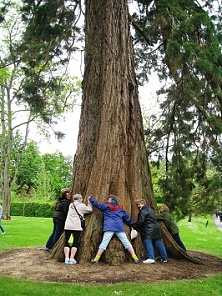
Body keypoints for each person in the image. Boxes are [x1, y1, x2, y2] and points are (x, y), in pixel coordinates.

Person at [89, 194, 139, 264]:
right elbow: (127, 219)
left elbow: (97, 204)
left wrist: (91, 198)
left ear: (111, 200)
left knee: (104, 243)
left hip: (109, 227)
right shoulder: (120, 210)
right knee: (127, 243)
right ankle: (135, 257)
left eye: (108, 199)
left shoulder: (106, 207)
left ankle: (96, 259)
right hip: (119, 228)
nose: (107, 201)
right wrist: (133, 224)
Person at [132, 199, 168, 264]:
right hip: (156, 228)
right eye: (137, 205)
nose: (138, 206)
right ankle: (164, 258)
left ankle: (151, 257)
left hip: (148, 229)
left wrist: (134, 225)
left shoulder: (143, 211)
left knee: (148, 242)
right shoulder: (151, 209)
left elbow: (141, 221)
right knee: (159, 243)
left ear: (143, 204)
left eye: (139, 204)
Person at [63, 194, 93, 264]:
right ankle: (72, 258)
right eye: (81, 199)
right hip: (76, 227)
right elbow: (90, 210)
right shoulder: (81, 206)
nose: (82, 200)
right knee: (75, 242)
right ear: (79, 199)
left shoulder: (71, 205)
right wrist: (89, 202)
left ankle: (66, 258)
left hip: (68, 226)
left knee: (66, 241)